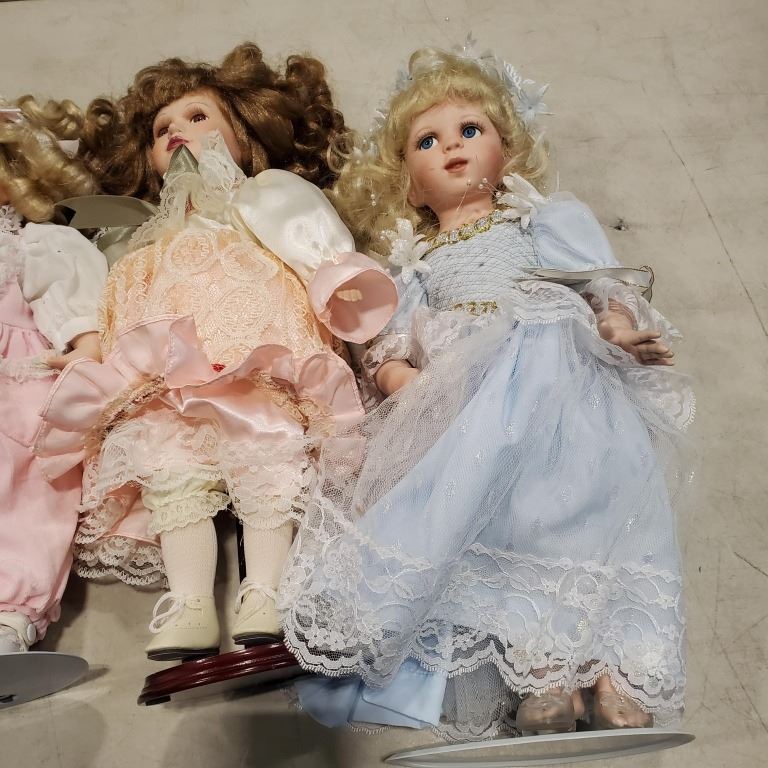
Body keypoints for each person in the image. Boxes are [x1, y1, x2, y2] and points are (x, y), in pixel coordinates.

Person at [280, 43, 694, 739]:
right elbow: (387, 349)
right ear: (410, 186)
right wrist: (413, 388)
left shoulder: (542, 222)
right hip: (472, 407)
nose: (452, 146)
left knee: (599, 506)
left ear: (508, 153)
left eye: (470, 130)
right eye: (427, 141)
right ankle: (544, 670)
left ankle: (616, 673)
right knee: (512, 523)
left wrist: (618, 329)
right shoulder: (413, 267)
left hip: (566, 386)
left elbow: (600, 289)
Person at [33, 43, 397, 661]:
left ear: (242, 136)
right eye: (162, 129)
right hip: (165, 375)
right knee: (171, 468)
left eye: (197, 116)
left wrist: (338, 281)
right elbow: (108, 299)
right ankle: (190, 602)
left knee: (267, 458)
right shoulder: (138, 235)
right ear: (149, 158)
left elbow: (311, 236)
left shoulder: (262, 195)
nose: (177, 131)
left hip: (258, 350)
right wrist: (91, 345)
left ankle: (267, 592)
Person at [0, 95, 107, 653]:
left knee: (24, 496)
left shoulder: (28, 245)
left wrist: (86, 342)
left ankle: (9, 617)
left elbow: (72, 300)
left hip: (14, 394)